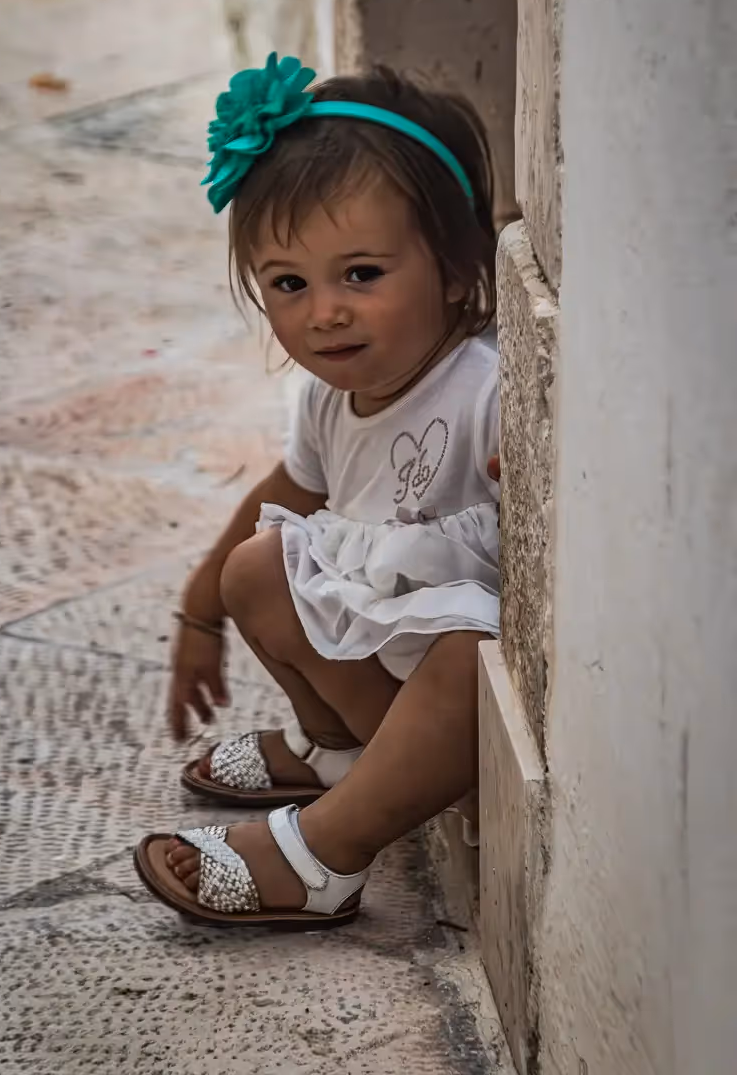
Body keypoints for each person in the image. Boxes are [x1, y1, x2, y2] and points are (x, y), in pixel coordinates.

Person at [134, 53, 501, 927]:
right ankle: (337, 750)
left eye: (361, 275)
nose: (322, 312)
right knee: (259, 568)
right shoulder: (328, 398)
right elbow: (287, 489)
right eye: (288, 284)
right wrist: (199, 607)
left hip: (450, 689)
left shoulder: (487, 386)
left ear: (454, 270)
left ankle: (327, 849)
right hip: (383, 673)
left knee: (466, 655)